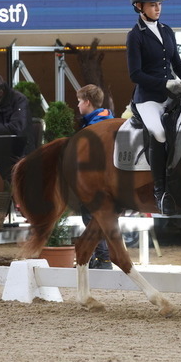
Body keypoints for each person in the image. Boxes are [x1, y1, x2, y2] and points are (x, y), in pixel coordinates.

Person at [126, 0, 181, 215]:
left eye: (159, 4)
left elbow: (176, 62)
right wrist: (164, 83)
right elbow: (135, 74)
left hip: (172, 93)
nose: (157, 8)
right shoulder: (135, 36)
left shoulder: (167, 30)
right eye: (152, 4)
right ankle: (160, 191)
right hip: (148, 99)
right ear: (139, 6)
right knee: (158, 133)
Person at [76, 84, 115, 269]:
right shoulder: (106, 118)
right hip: (106, 178)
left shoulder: (94, 126)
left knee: (92, 218)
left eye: (79, 101)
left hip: (97, 179)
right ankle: (99, 257)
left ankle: (104, 259)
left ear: (87, 102)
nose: (77, 106)